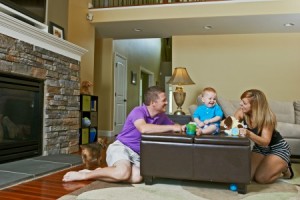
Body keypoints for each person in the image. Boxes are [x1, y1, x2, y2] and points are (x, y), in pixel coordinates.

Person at [63, 86, 183, 183]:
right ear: (153, 103)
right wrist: (172, 127)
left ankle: (103, 172)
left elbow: (175, 127)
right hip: (121, 147)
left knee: (137, 178)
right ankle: (85, 175)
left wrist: (187, 127)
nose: (167, 102)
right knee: (123, 173)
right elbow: (143, 128)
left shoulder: (161, 116)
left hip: (137, 155)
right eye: (164, 100)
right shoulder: (138, 111)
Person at [235, 89, 293, 184]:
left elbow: (265, 141)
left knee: (261, 178)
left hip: (277, 148)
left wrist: (249, 133)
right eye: (241, 101)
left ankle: (285, 167)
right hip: (260, 148)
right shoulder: (241, 112)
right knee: (247, 176)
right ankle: (270, 164)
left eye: (244, 103)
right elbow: (232, 125)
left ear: (255, 105)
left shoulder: (267, 117)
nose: (240, 104)